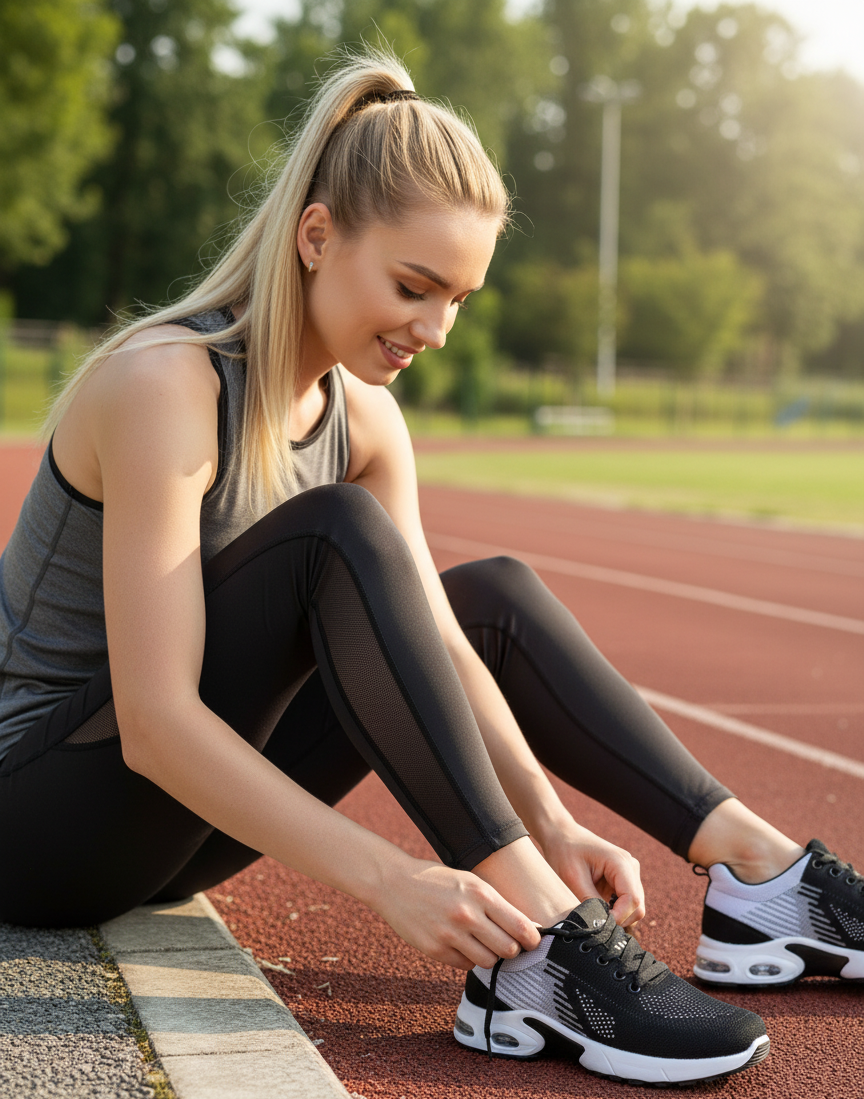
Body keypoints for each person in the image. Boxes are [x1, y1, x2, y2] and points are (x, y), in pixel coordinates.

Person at [0, 50, 860, 1087]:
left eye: (458, 297)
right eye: (414, 287)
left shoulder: (366, 420)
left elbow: (443, 646)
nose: (436, 329)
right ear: (316, 237)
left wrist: (550, 819)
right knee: (340, 535)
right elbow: (154, 723)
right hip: (40, 824)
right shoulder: (165, 386)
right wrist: (395, 878)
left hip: (173, 836)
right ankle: (544, 948)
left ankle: (760, 872)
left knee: (484, 598)